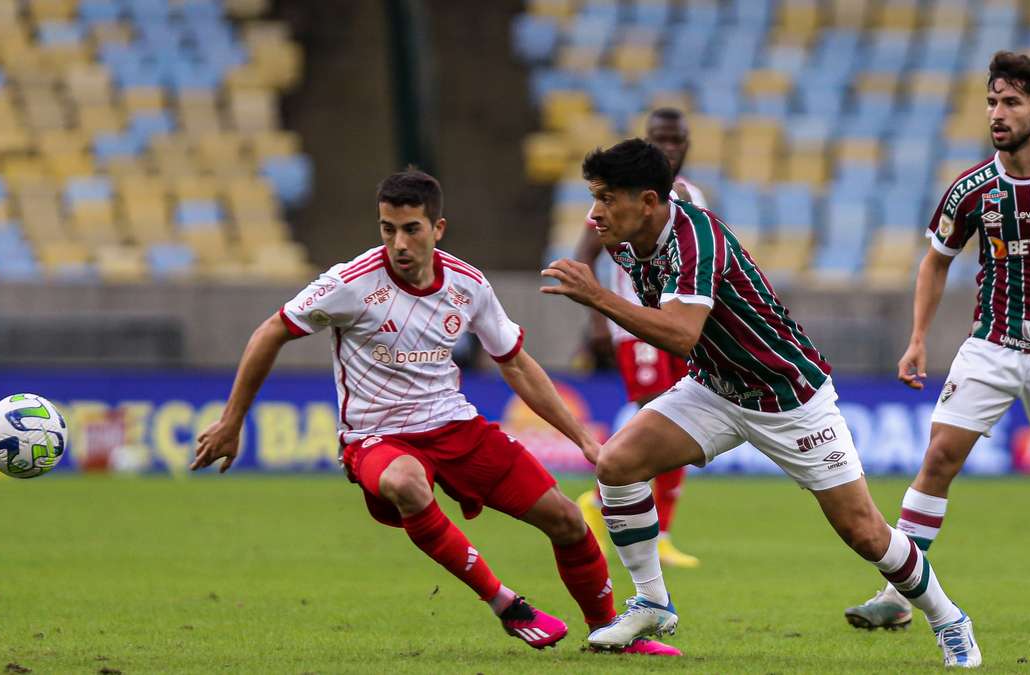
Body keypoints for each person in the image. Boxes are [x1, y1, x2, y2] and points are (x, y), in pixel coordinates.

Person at [190, 169, 678, 656]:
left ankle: (608, 636)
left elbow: (517, 365)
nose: (398, 243)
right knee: (405, 483)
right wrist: (232, 421)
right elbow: (270, 332)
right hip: (377, 438)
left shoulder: (467, 284)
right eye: (387, 229)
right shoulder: (351, 283)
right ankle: (506, 603)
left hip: (454, 426)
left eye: (411, 229)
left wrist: (585, 442)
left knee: (567, 520)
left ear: (437, 228)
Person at [541, 139, 981, 667]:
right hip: (717, 389)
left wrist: (598, 298)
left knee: (865, 532)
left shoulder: (695, 239)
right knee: (616, 464)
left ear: (649, 200)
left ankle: (949, 619)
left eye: (607, 198)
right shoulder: (626, 242)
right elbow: (686, 339)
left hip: (789, 397)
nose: (595, 213)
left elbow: (681, 334)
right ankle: (653, 602)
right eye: (594, 198)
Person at [843, 52, 1030, 633]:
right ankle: (898, 596)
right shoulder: (971, 190)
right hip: (991, 345)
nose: (997, 114)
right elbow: (934, 263)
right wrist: (918, 339)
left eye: (1011, 103)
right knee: (939, 458)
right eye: (992, 102)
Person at [575, 108, 706, 568]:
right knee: (657, 410)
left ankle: (660, 529)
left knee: (681, 420)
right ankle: (599, 499)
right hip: (637, 327)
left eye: (676, 140)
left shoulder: (695, 196)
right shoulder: (620, 201)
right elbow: (585, 254)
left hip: (680, 323)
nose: (670, 148)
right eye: (660, 140)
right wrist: (596, 323)